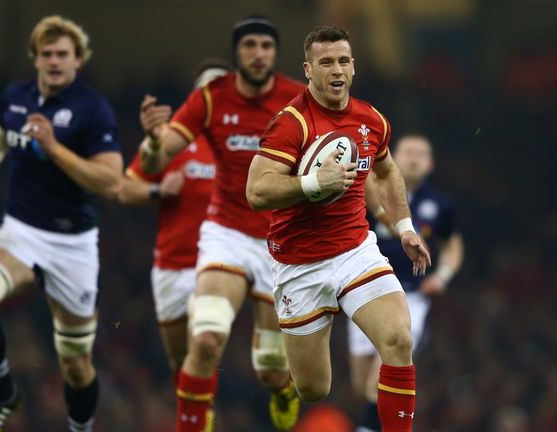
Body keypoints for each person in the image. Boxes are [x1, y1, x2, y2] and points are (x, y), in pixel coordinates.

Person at [246, 26, 431, 432]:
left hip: (355, 252)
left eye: (343, 61)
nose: (336, 70)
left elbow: (386, 171)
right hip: (300, 265)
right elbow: (257, 191)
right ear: (308, 70)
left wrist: (403, 226)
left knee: (400, 340)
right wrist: (315, 183)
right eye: (325, 62)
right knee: (314, 389)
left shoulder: (370, 119)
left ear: (353, 67)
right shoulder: (290, 124)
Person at [0, 15, 122, 432]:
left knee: (76, 366)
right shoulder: (16, 97)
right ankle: (3, 393)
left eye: (63, 54)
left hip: (73, 245)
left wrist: (54, 149)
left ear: (78, 61)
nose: (54, 61)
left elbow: (111, 179)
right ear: (35, 59)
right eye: (46, 54)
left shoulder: (92, 110)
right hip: (20, 233)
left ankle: (81, 429)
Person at [137, 15, 306, 432]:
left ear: (275, 52)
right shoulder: (212, 98)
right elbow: (156, 161)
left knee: (269, 366)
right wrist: (155, 140)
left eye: (266, 46)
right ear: (237, 53)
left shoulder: (298, 99)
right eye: (249, 45)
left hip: (277, 240)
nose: (258, 54)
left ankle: (283, 389)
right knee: (207, 336)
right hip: (225, 233)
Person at [118, 59, 228, 380]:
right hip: (170, 266)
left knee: (205, 342)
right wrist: (157, 191)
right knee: (180, 365)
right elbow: (125, 190)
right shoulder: (172, 138)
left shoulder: (244, 145)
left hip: (215, 269)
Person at [349, 135, 465, 432]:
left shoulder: (440, 204)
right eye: (407, 152)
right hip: (364, 291)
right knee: (362, 386)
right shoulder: (371, 191)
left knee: (381, 377)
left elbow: (453, 245)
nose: (413, 158)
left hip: (409, 296)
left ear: (430, 163)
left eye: (420, 154)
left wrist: (443, 276)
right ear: (393, 157)